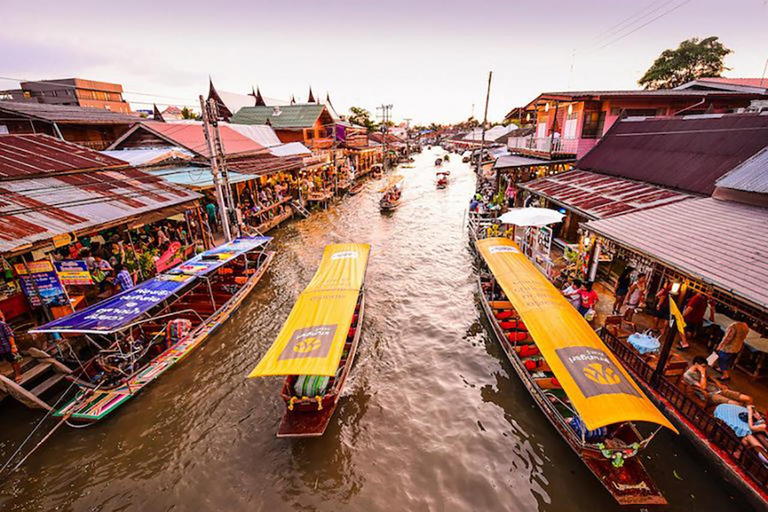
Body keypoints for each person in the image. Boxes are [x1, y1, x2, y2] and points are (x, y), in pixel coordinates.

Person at [682, 356, 752, 406]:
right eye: (703, 366)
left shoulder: (702, 370)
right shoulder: (688, 375)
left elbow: (710, 377)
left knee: (748, 398)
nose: (705, 368)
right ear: (696, 364)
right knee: (737, 404)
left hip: (718, 390)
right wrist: (702, 373)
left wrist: (718, 383)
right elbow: (703, 387)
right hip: (710, 395)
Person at [0, 311, 22, 383]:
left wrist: (13, 346)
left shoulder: (2, 325)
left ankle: (17, 375)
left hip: (6, 347)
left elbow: (9, 335)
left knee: (14, 361)